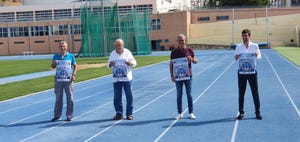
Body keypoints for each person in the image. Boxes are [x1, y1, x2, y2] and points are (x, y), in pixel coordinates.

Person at [234, 29, 262, 120]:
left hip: (252, 73)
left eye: (246, 35)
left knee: (255, 93)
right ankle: (241, 113)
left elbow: (260, 56)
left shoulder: (255, 46)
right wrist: (237, 56)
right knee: (241, 93)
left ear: (249, 36)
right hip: (242, 73)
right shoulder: (238, 46)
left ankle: (257, 112)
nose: (245, 37)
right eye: (243, 35)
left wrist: (256, 54)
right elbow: (235, 57)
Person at [108, 39, 137, 120]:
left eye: (120, 45)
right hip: (116, 79)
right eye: (117, 45)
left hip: (127, 78)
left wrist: (130, 63)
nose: (118, 47)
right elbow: (108, 64)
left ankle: (129, 113)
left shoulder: (127, 52)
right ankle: (118, 113)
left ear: (123, 45)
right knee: (117, 96)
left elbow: (134, 63)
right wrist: (110, 64)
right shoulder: (113, 53)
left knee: (129, 96)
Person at [170, 34, 197, 120]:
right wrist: (172, 75)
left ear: (185, 40)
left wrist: (192, 59)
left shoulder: (189, 50)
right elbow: (171, 64)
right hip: (178, 77)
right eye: (179, 40)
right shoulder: (174, 52)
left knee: (189, 95)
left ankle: (191, 112)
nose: (181, 42)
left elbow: (196, 61)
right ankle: (179, 113)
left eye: (183, 40)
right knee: (179, 95)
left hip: (188, 76)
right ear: (177, 41)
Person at [51, 41, 77, 122]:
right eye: (61, 46)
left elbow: (75, 66)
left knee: (70, 98)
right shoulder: (56, 56)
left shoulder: (71, 56)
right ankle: (57, 115)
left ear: (67, 47)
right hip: (58, 80)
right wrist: (54, 64)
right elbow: (52, 66)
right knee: (58, 98)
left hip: (68, 80)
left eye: (64, 46)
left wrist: (73, 74)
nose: (63, 48)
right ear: (59, 47)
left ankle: (69, 115)